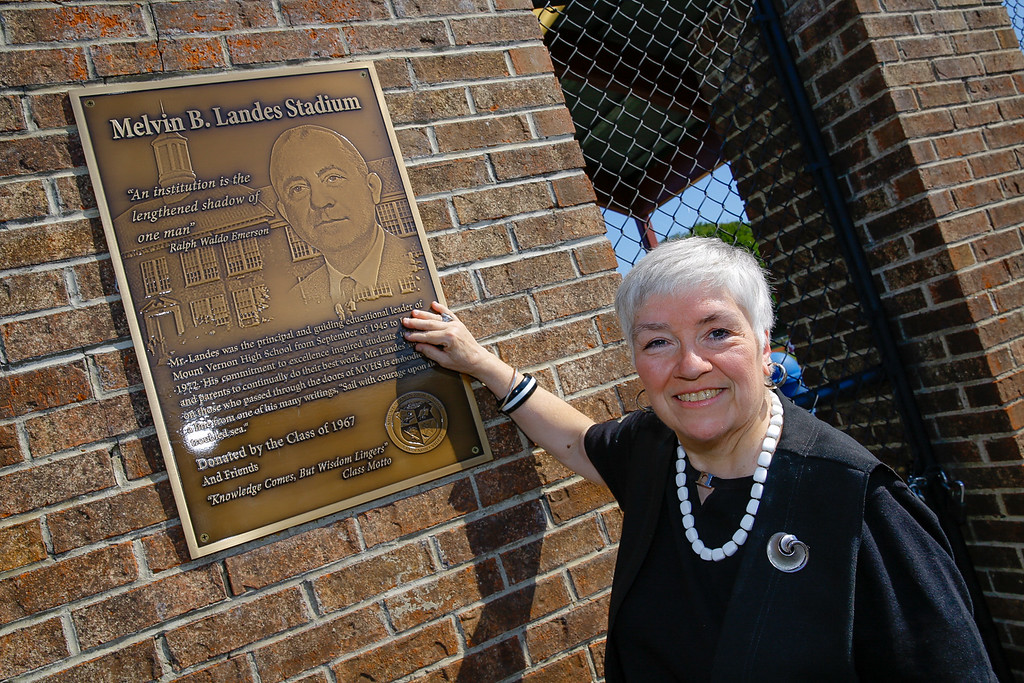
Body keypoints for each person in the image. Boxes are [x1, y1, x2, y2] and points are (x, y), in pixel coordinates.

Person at [401, 237, 997, 681]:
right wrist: (480, 364)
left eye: (717, 333)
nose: (690, 365)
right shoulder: (653, 451)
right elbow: (579, 441)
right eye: (659, 341)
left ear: (766, 349)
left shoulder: (862, 509)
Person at [269, 125, 413, 320]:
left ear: (372, 188)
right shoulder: (292, 305)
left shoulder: (419, 266)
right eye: (298, 189)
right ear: (286, 214)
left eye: (333, 178)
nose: (319, 201)